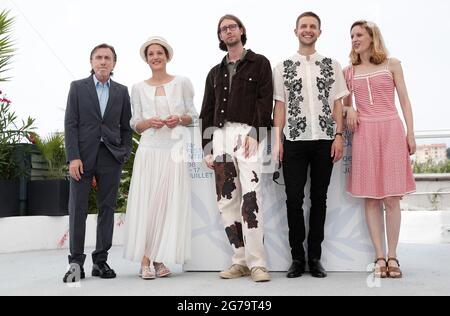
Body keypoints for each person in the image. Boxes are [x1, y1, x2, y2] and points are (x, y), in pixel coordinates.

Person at [273, 12, 348, 279]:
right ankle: (296, 258)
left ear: (319, 31)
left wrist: (339, 135)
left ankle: (314, 258)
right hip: (293, 141)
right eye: (303, 26)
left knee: (319, 199)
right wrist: (277, 140)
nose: (308, 30)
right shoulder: (282, 66)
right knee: (293, 200)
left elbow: (338, 103)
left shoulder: (332, 64)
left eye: (312, 26)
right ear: (296, 31)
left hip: (325, 141)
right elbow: (279, 105)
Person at [200, 14, 273, 282]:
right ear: (220, 36)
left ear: (241, 30)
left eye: (232, 27)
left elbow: (266, 103)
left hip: (247, 135)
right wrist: (207, 147)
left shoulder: (260, 63)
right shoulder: (214, 72)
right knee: (226, 201)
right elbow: (206, 111)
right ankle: (239, 260)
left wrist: (256, 132)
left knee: (251, 198)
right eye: (223, 29)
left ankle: (257, 263)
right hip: (219, 136)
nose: (228, 31)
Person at [343, 21, 416, 279]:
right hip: (365, 134)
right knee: (371, 198)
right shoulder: (348, 71)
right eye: (352, 35)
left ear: (372, 37)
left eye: (359, 34)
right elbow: (343, 104)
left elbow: (405, 100)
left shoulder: (392, 64)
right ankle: (379, 256)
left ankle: (393, 255)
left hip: (391, 129)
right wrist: (349, 108)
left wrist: (411, 132)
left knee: (391, 197)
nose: (354, 38)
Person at [123, 36, 197, 280]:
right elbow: (135, 122)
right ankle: (146, 259)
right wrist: (147, 122)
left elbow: (192, 115)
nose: (155, 57)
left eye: (159, 53)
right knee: (148, 205)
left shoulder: (183, 82)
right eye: (151, 54)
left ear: (167, 56)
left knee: (167, 206)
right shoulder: (138, 88)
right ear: (147, 59)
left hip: (174, 151)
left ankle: (159, 259)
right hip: (149, 150)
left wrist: (179, 119)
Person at [63, 44, 133, 283]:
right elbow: (70, 124)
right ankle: (76, 263)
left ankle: (100, 261)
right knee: (77, 209)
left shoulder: (122, 92)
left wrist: (124, 153)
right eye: (99, 58)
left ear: (114, 63)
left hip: (110, 157)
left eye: (108, 58)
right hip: (82, 157)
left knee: (107, 209)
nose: (103, 61)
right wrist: (73, 157)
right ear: (91, 62)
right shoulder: (77, 88)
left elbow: (126, 127)